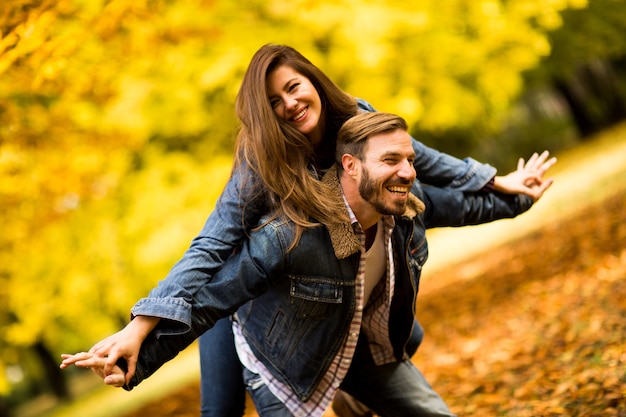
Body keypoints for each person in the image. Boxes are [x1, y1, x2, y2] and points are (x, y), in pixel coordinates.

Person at [61, 44, 555, 416]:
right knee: (221, 409)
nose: (290, 104)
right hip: (250, 296)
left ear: (314, 82)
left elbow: (422, 165)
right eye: (274, 101)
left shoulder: (365, 134)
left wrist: (499, 183)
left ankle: (347, 390)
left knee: (395, 344)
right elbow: (215, 248)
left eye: (294, 87)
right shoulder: (265, 169)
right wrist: (140, 328)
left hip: (327, 304)